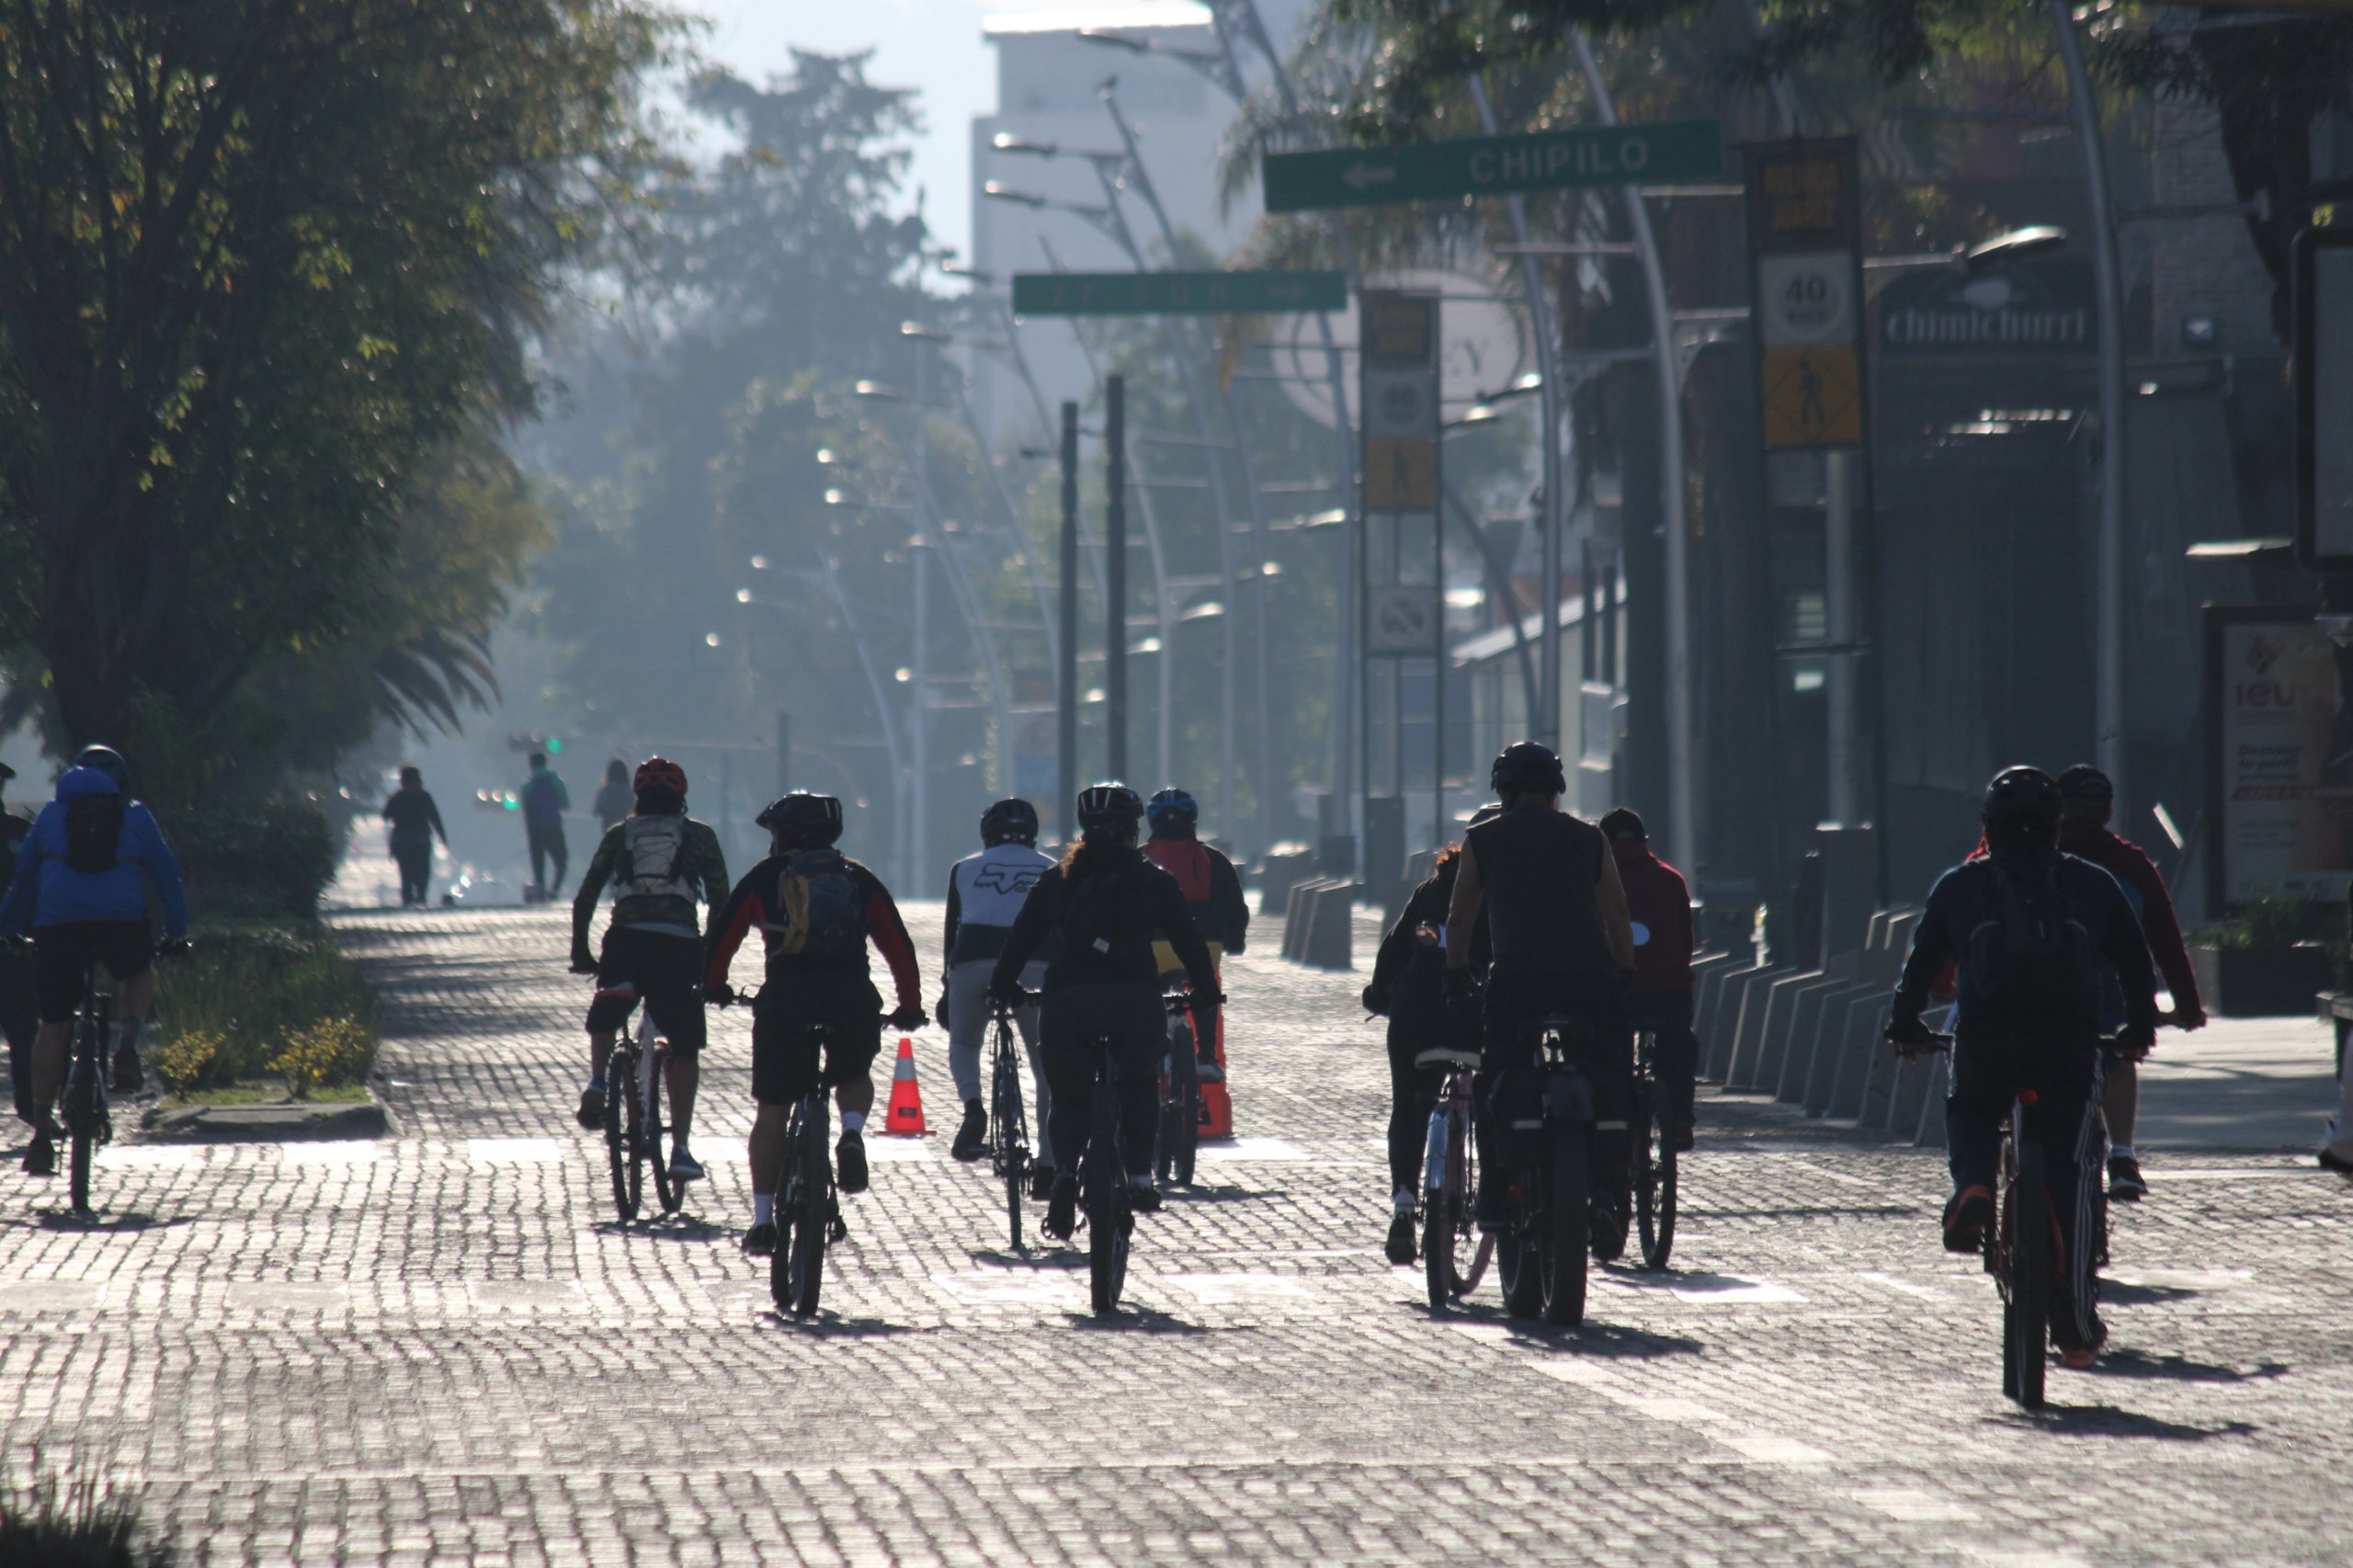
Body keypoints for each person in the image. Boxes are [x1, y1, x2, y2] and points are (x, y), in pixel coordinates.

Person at [1886, 766, 2158, 1369]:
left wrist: (1904, 1024)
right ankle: (2075, 1326)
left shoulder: (1962, 884)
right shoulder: (2093, 883)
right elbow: (2136, 964)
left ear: (1989, 827)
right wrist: (2139, 1029)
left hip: (1987, 1038)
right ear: (2057, 827)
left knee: (1970, 1106)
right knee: (2072, 1173)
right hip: (2067, 1044)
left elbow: (1921, 964)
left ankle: (1974, 1185)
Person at [987, 783, 1220, 1242]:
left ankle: (1064, 1173)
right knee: (1139, 1083)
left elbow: (1020, 940)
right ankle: (1140, 1177)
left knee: (1068, 1095)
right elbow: (1189, 942)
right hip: (1133, 1000)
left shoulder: (1056, 880)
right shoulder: (1154, 880)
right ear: (1134, 830)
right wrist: (1207, 992)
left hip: (1068, 1001)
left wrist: (1003, 988)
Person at [705, 791, 925, 1256]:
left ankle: (762, 1221)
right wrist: (909, 1005)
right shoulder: (858, 879)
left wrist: (714, 985)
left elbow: (724, 936)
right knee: (853, 1073)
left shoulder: (765, 878)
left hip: (787, 998)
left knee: (772, 1111)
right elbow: (898, 946)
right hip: (850, 995)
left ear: (786, 834)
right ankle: (850, 1132)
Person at [1444, 742, 1637, 1248]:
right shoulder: (1590, 838)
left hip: (1518, 982)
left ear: (1503, 791)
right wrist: (1623, 973)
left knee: (1498, 1074)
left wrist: (1456, 974)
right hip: (1588, 980)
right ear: (1556, 790)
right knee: (1611, 1068)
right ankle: (1610, 1190)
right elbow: (1617, 914)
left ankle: (1494, 1189)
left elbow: (1460, 918)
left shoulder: (1483, 839)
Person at [0, 745, 190, 1175]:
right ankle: (127, 1046)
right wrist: (177, 931)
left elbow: (24, 879)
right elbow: (166, 874)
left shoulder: (50, 817)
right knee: (138, 970)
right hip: (120, 925)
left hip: (58, 930)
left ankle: (42, 1131)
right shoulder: (137, 816)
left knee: (53, 1025)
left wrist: (9, 929)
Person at [568, 757, 729, 1182]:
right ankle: (680, 1149)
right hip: (678, 946)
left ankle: (598, 1081)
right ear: (682, 799)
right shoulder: (699, 836)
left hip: (626, 941)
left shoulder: (619, 835)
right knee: (685, 1048)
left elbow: (586, 896)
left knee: (609, 1005)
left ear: (637, 797)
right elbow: (721, 900)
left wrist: (581, 952)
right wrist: (710, 955)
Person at [2052, 764, 2205, 1201]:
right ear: (2108, 812)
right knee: (2120, 1055)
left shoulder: (2032, 855)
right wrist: (2187, 1007)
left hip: (2037, 993)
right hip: (2111, 992)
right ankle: (2122, 1154)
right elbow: (2165, 940)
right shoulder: (2131, 863)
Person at [1362, 804, 1496, 1265]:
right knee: (1498, 1096)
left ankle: (1403, 1205)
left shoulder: (1433, 887)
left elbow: (1394, 950)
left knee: (1409, 1104)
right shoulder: (1510, 892)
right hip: (1478, 1015)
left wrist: (1379, 995)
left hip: (1416, 1014)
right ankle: (1496, 1195)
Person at [939, 799, 1054, 1174]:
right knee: (1046, 1066)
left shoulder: (964, 869)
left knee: (964, 1042)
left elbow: (952, 934)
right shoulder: (1053, 869)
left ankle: (973, 1107)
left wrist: (947, 988)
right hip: (1034, 964)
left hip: (974, 959)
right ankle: (1048, 1164)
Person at [1140, 786, 1250, 1125]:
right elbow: (1236, 909)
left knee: (1144, 994)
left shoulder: (1138, 859)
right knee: (1205, 987)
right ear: (1193, 821)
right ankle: (1206, 1056)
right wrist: (1235, 941)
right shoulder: (1214, 860)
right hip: (1205, 946)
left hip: (1151, 948)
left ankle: (1143, 1052)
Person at [1598, 807, 1699, 1153]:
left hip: (1615, 991)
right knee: (1678, 1045)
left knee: (1606, 1051)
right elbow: (1685, 944)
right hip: (1669, 990)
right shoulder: (1671, 879)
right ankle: (1680, 1119)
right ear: (1645, 841)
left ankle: (1610, 1122)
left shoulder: (1594, 881)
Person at [0, 763, 38, 1130]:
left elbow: (39, 888)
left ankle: (33, 1109)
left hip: (16, 949)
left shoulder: (21, 832)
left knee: (24, 1035)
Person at [381, 766, 449, 908]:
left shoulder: (415, 797)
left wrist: (442, 835)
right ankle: (409, 900)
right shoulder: (403, 798)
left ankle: (420, 897)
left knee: (422, 873)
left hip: (417, 842)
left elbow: (434, 817)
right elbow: (386, 815)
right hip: (406, 843)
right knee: (407, 874)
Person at [522, 752, 571, 900]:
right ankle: (554, 889)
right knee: (561, 862)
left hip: (535, 830)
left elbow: (526, 810)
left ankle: (540, 889)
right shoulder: (557, 782)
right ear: (545, 763)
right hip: (554, 827)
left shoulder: (527, 786)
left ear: (531, 765)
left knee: (538, 864)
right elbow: (565, 805)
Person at [592, 757, 633, 835]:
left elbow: (596, 811)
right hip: (624, 826)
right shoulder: (628, 791)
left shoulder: (605, 791)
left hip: (608, 827)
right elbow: (633, 807)